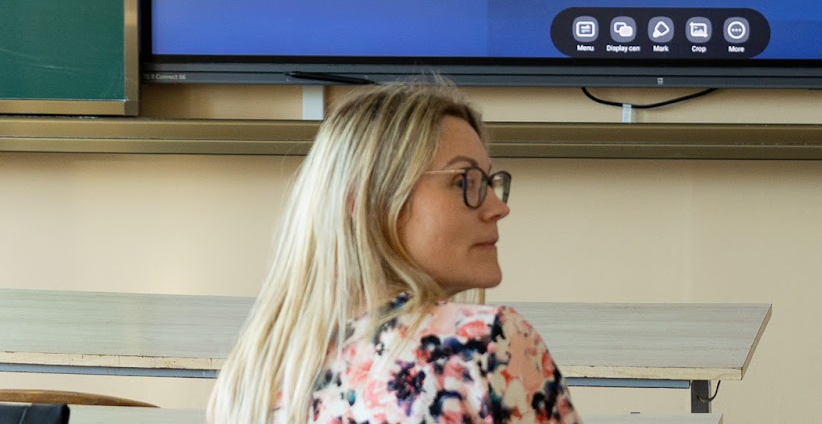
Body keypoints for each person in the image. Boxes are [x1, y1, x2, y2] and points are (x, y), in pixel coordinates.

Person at [209, 81, 581, 424]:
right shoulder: (483, 344)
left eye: (487, 182)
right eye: (463, 182)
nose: (498, 208)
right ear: (365, 200)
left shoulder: (253, 375)